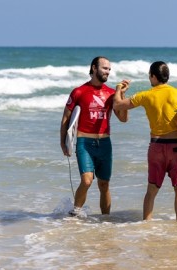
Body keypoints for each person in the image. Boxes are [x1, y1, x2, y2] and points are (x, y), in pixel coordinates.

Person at [113, 61, 177, 221]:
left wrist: (118, 90)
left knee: (151, 190)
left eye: (150, 76)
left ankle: (146, 226)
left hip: (156, 147)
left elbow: (117, 104)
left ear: (153, 77)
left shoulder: (146, 95)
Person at [60, 56, 128, 216]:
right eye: (105, 68)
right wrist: (63, 142)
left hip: (105, 143)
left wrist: (121, 95)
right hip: (84, 142)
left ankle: (106, 220)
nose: (108, 72)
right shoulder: (78, 92)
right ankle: (75, 214)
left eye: (109, 69)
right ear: (94, 68)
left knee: (104, 185)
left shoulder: (111, 93)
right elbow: (65, 119)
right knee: (87, 180)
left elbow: (124, 118)